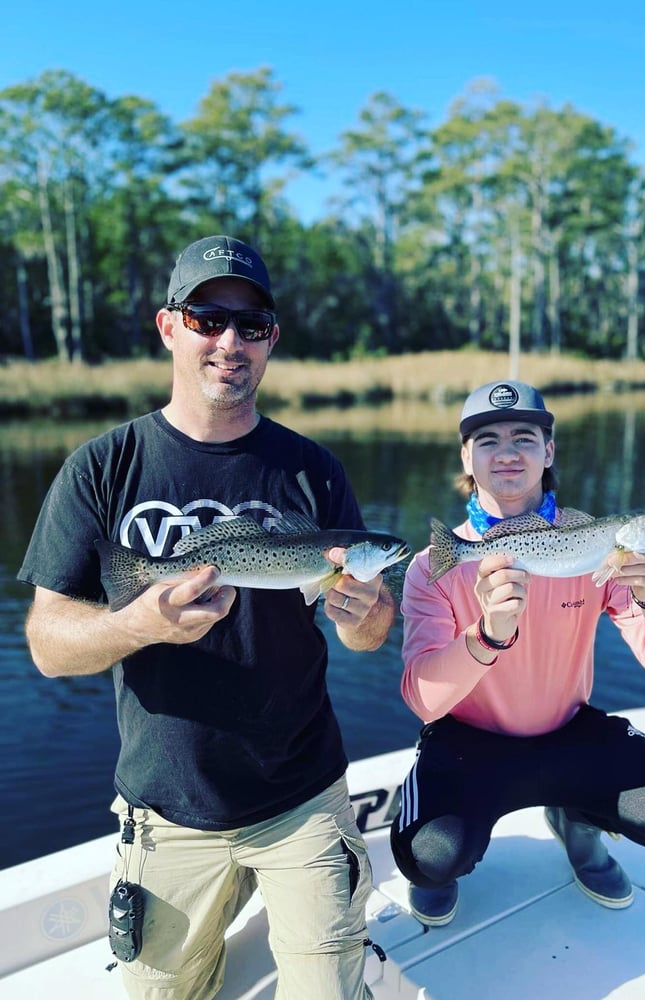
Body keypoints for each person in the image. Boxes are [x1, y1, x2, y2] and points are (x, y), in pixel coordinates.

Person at [18, 235, 396, 1000]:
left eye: (251, 325)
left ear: (271, 341)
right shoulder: (101, 467)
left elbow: (366, 636)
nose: (230, 341)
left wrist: (364, 609)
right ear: (168, 328)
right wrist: (138, 624)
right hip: (168, 807)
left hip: (300, 795)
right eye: (207, 318)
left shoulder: (313, 468)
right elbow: (49, 647)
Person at [390, 379, 645, 927]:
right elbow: (423, 702)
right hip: (469, 742)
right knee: (427, 858)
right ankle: (452, 862)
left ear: (548, 452)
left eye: (524, 437)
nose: (507, 452)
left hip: (571, 731)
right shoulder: (436, 565)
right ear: (466, 456)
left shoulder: (599, 546)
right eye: (488, 439)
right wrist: (487, 635)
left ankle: (578, 821)